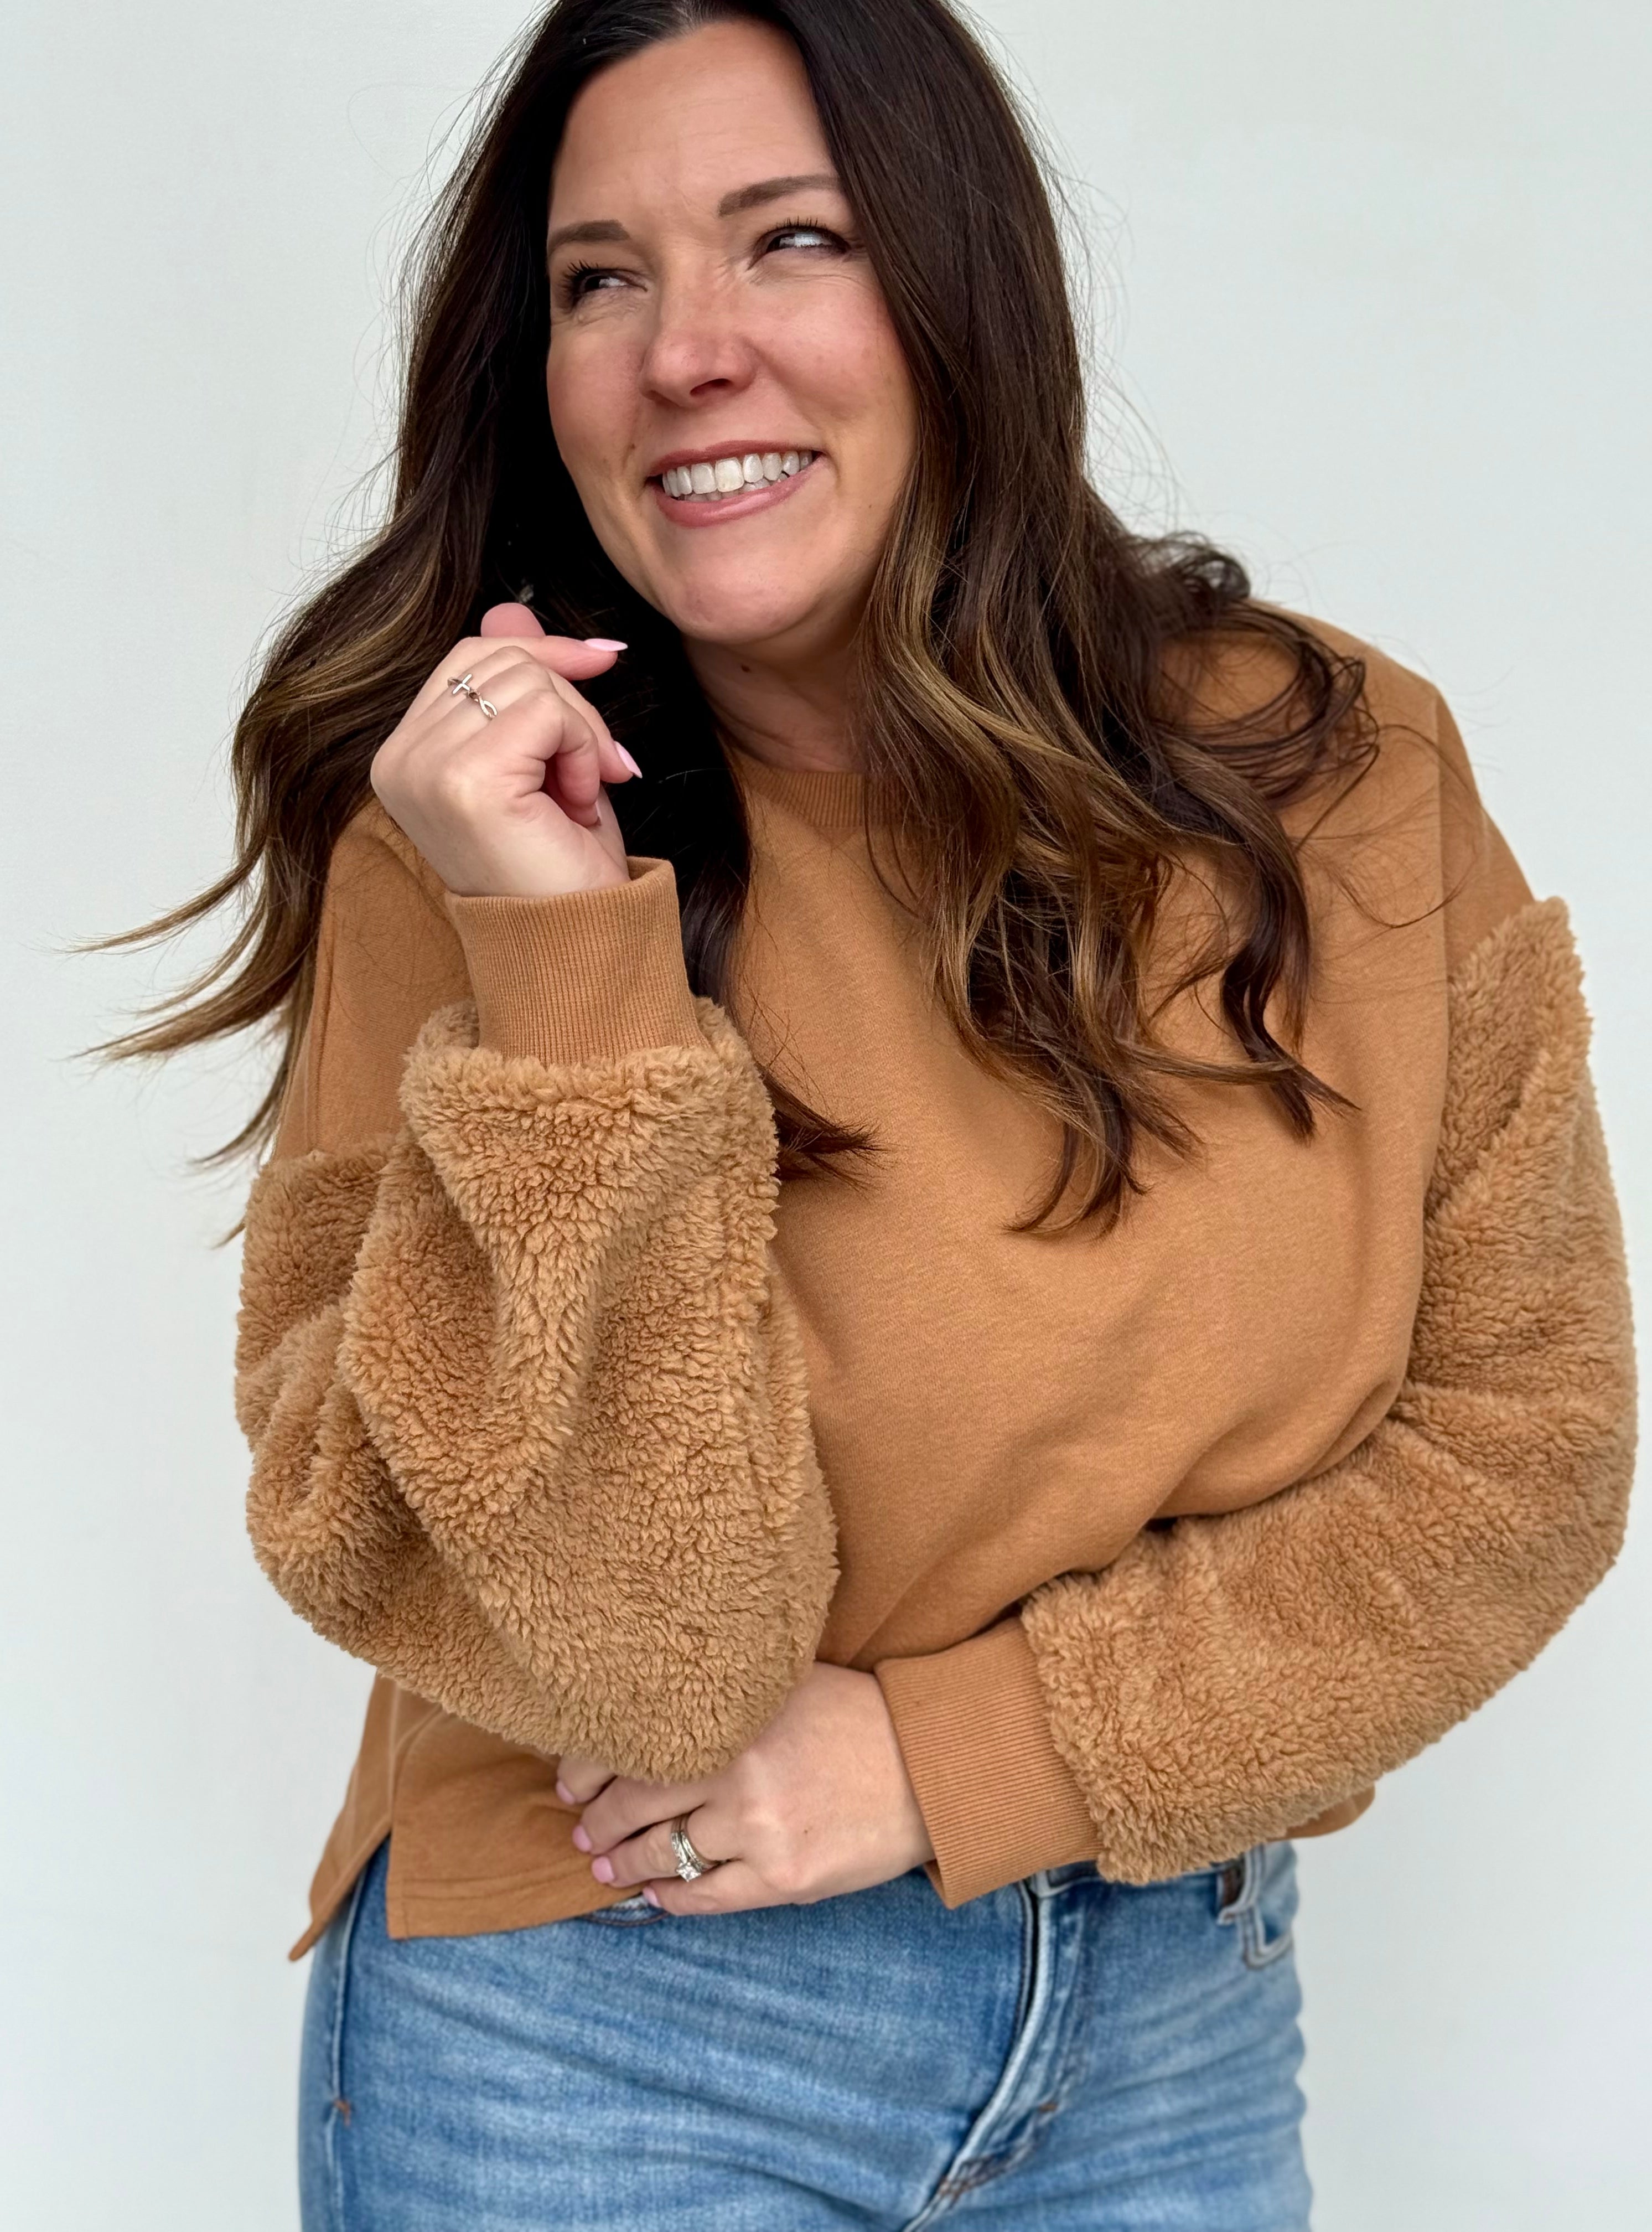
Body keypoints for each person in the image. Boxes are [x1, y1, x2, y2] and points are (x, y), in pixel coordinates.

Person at [126, 1, 1634, 2223]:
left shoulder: (1333, 774)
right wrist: (571, 974)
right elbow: (650, 1659)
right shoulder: (464, 849)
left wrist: (964, 1757)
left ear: (955, 291)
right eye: (601, 279)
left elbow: (1528, 1452)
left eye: (790, 240)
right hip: (602, 2030)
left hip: (1178, 2016)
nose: (685, 352)